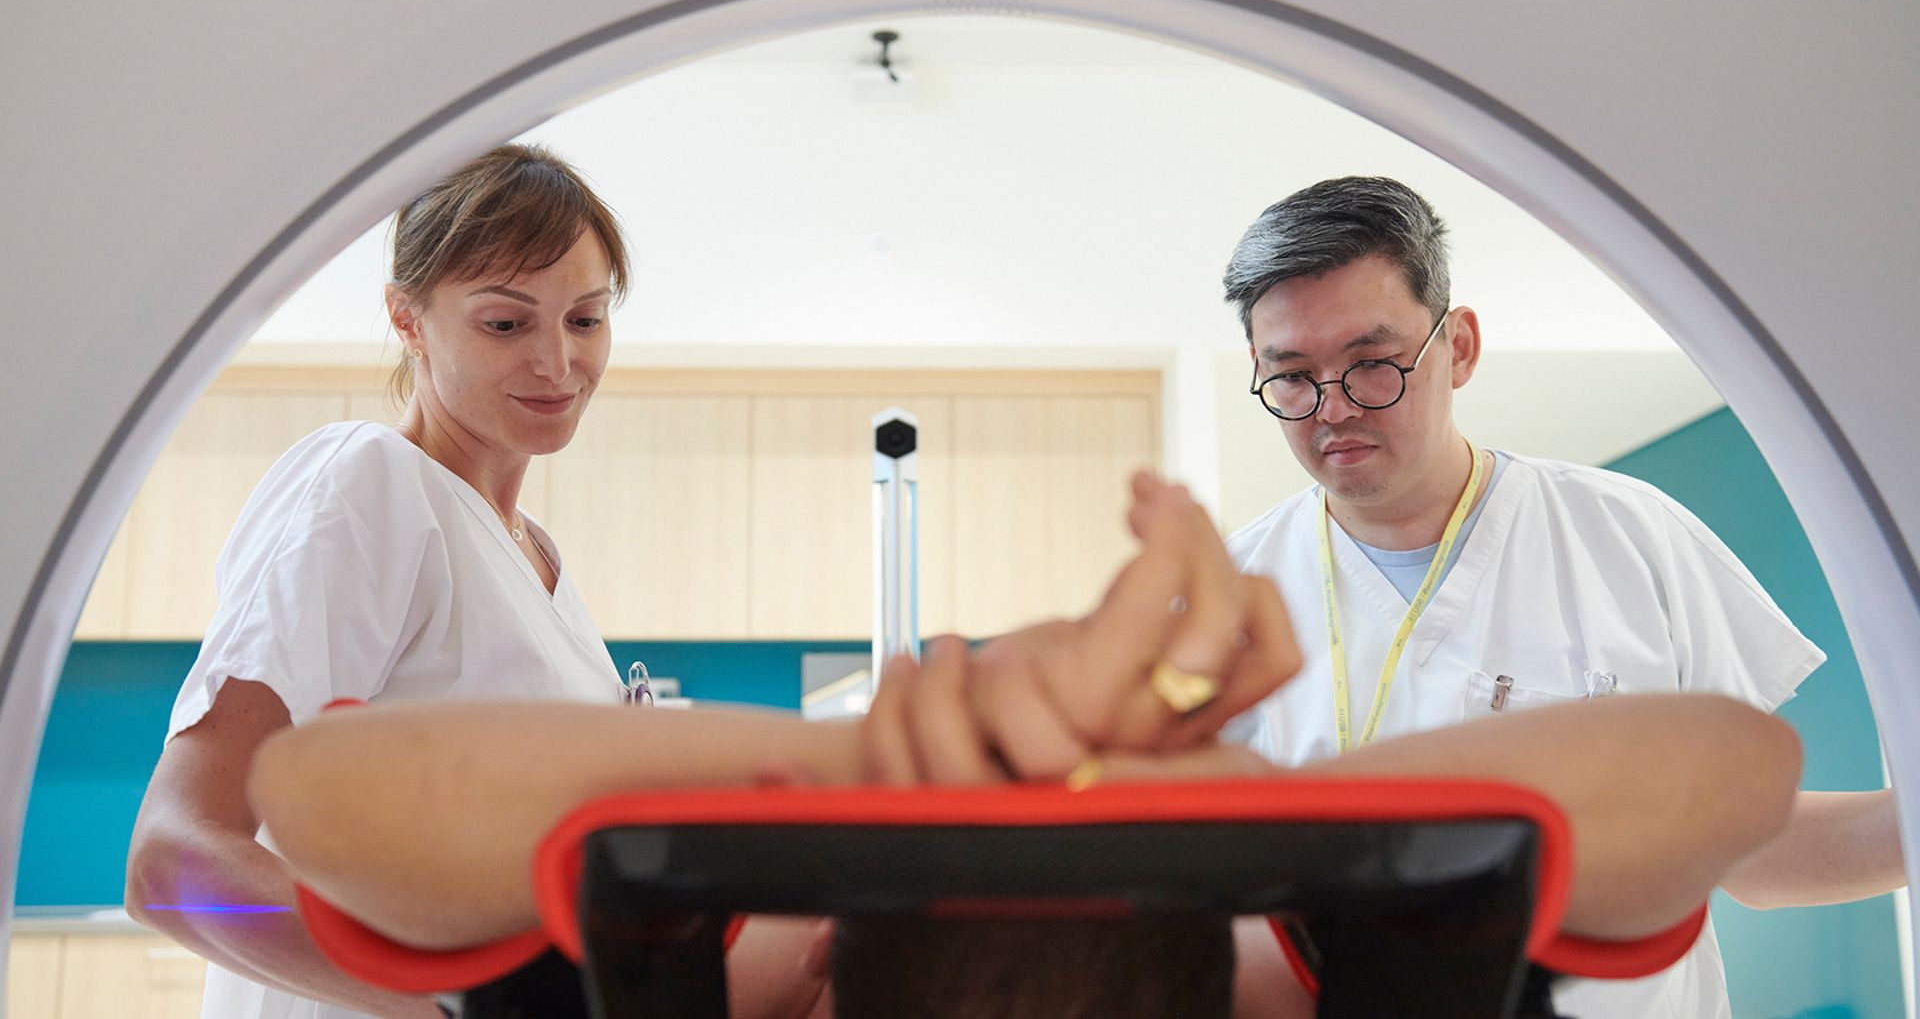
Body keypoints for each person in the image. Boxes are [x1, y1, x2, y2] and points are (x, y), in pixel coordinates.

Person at [247, 475, 1803, 1019]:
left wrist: (873, 763)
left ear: (812, 978)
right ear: (1255, 967)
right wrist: (1207, 785)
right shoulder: (1371, 986)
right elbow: (1735, 769)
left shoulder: (697, 992)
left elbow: (315, 798)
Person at [1218, 175, 1906, 1017]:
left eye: (1371, 364)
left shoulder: (1632, 539)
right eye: (1293, 378)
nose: (1334, 410)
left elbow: (1746, 853)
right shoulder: (1224, 604)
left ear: (1458, 345)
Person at [124, 143, 633, 1019]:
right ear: (407, 317)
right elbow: (174, 863)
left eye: (584, 320)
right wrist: (442, 1010)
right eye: (506, 324)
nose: (557, 362)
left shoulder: (537, 560)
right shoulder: (371, 484)